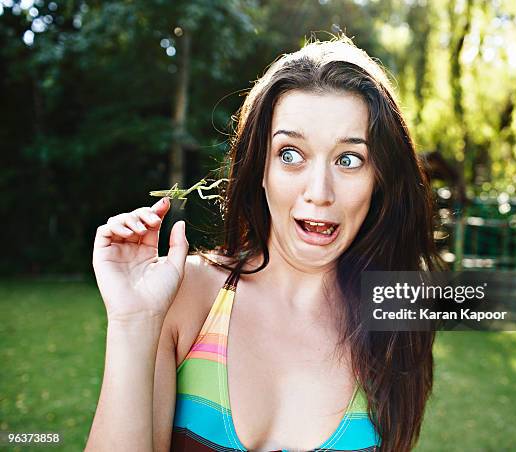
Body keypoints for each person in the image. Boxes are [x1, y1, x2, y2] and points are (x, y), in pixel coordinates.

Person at [86, 36, 441, 452]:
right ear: (260, 167)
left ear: (380, 179)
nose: (319, 192)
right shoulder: (188, 296)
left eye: (348, 159)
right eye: (291, 154)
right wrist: (133, 323)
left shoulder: (394, 323)